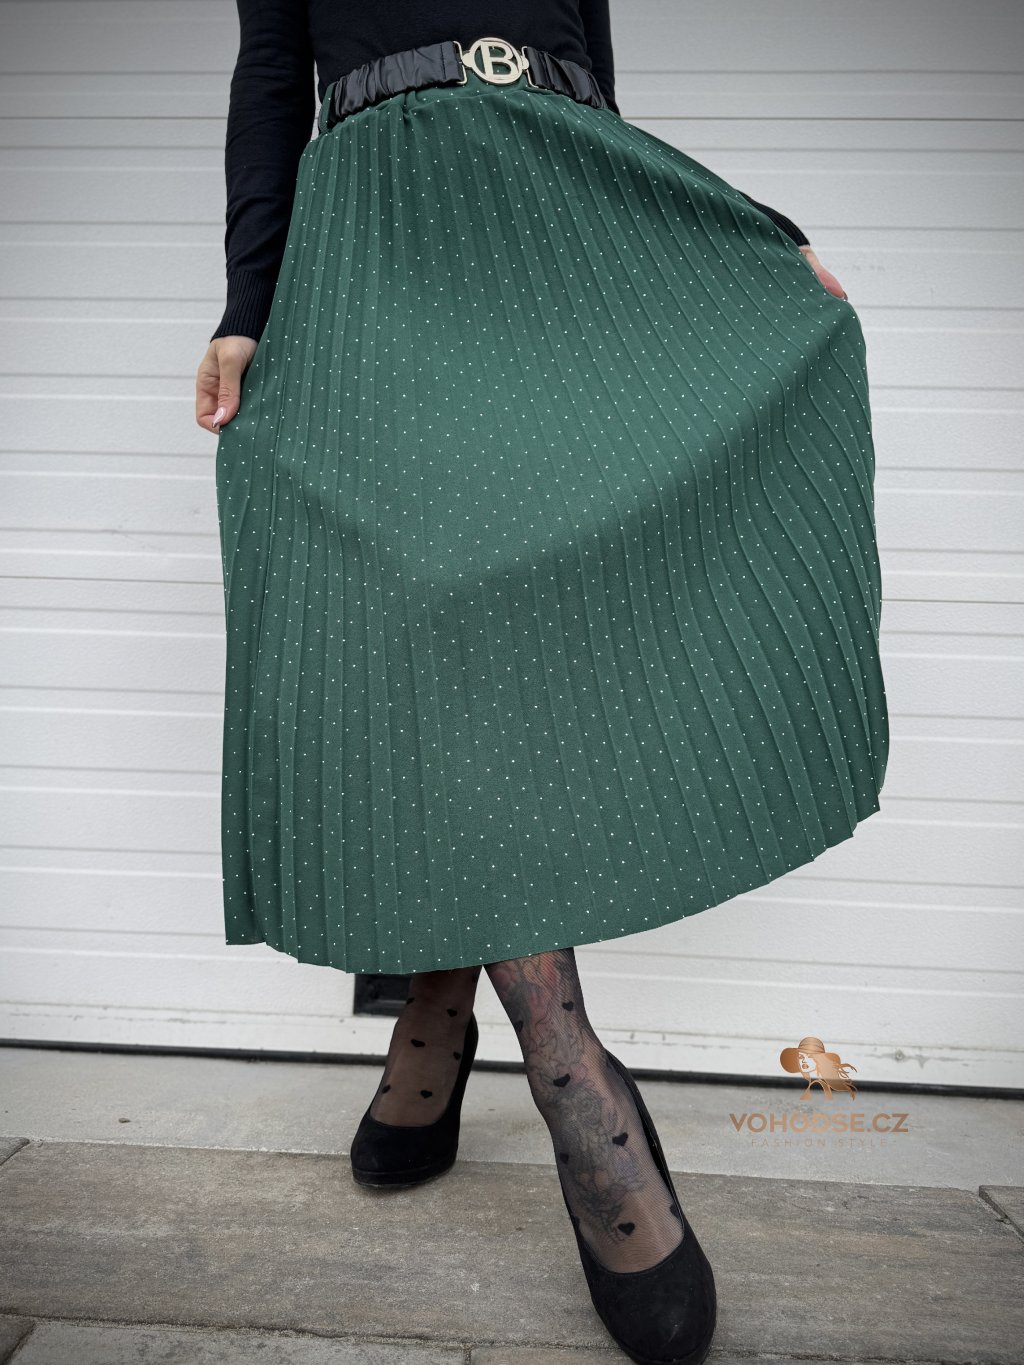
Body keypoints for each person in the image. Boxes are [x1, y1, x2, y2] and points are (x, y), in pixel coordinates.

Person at [195, 5, 889, 1361]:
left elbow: (595, 83)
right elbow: (274, 71)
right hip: (382, 223)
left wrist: (733, 231)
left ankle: (438, 1019)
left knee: (515, 604)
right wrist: (247, 302)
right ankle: (575, 1077)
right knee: (416, 597)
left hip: (557, 204)